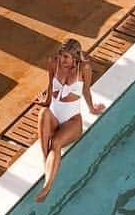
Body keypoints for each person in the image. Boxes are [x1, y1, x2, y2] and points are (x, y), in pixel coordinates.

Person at [35, 38, 104, 202]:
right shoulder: (53, 63)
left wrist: (92, 108)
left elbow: (86, 90)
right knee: (43, 113)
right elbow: (50, 85)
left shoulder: (84, 68)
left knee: (56, 142)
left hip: (72, 120)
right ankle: (47, 163)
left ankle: (48, 185)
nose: (62, 60)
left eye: (66, 57)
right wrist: (45, 101)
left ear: (75, 57)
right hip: (54, 114)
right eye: (61, 55)